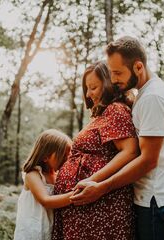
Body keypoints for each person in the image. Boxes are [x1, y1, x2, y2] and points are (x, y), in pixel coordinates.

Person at [71, 36, 164, 240]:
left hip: (156, 199)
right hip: (151, 198)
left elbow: (148, 160)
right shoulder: (146, 94)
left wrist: (101, 187)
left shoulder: (153, 98)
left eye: (117, 73)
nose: (113, 79)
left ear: (138, 67)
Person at [52, 61, 139, 240]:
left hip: (101, 208)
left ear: (108, 84)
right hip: (88, 209)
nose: (88, 94)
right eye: (86, 88)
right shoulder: (103, 114)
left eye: (93, 87)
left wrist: (91, 180)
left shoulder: (116, 110)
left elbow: (129, 152)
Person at [13, 129, 73, 240]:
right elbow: (46, 201)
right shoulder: (33, 175)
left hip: (50, 229)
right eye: (63, 156)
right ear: (45, 157)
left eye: (68, 155)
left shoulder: (58, 175)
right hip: (32, 230)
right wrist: (76, 195)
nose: (67, 159)